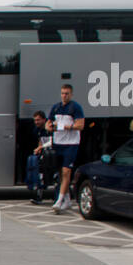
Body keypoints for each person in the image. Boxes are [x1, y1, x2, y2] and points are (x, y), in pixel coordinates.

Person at [46, 83, 85, 212]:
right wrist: (49, 127)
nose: (64, 96)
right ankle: (67, 200)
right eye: (63, 93)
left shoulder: (75, 107)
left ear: (71, 94)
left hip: (71, 144)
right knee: (61, 174)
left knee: (66, 172)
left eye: (67, 93)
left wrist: (64, 126)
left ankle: (59, 200)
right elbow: (48, 122)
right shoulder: (56, 107)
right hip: (58, 143)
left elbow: (81, 125)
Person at [24, 110, 53, 204]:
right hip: (44, 152)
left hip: (52, 153)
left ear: (44, 120)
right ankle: (36, 191)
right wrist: (39, 148)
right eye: (35, 120)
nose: (36, 122)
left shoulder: (49, 128)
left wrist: (40, 147)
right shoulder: (37, 130)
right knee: (33, 161)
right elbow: (40, 140)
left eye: (38, 120)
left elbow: (52, 142)